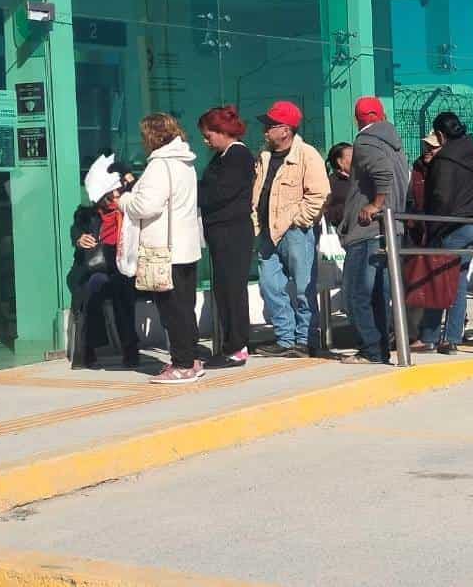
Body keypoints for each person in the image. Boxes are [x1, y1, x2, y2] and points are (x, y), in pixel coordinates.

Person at [118, 113, 204, 384]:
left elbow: (147, 206)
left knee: (172, 309)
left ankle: (182, 364)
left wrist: (125, 200)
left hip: (165, 250)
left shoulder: (159, 165)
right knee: (184, 306)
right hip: (186, 246)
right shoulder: (185, 162)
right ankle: (191, 358)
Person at [249, 101, 328, 357]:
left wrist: (300, 220)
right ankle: (285, 339)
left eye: (270, 126)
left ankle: (305, 340)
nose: (265, 131)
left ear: (285, 130)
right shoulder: (264, 156)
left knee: (304, 286)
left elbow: (319, 194)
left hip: (296, 231)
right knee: (269, 285)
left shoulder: (307, 155)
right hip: (266, 230)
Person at [339, 96, 410, 364]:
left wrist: (374, 204)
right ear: (381, 116)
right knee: (379, 294)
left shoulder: (366, 142)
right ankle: (378, 348)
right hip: (391, 228)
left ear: (357, 119)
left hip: (368, 230)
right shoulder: (394, 143)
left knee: (357, 294)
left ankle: (370, 349)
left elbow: (382, 174)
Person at [417, 112, 473, 354]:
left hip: (451, 226)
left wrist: (434, 231)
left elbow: (440, 198)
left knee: (443, 282)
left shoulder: (445, 160)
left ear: (440, 134)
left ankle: (439, 336)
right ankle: (446, 335)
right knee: (456, 280)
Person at [198, 105, 257, 365]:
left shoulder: (237, 156)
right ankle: (231, 343)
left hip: (232, 231)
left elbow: (221, 192)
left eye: (208, 134)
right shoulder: (224, 156)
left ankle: (237, 346)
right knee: (224, 288)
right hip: (222, 231)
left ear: (222, 132)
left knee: (232, 289)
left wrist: (193, 197)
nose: (206, 140)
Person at [68, 155, 140, 369]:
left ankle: (130, 349)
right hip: (96, 268)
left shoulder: (130, 208)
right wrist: (80, 239)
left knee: (121, 287)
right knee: (95, 286)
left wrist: (125, 173)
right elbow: (77, 231)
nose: (114, 200)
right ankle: (88, 347)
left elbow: (139, 190)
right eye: (109, 197)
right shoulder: (86, 214)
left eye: (116, 195)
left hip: (124, 266)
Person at [324, 142, 353, 229]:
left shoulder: (360, 180)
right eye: (353, 156)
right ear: (340, 162)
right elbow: (328, 212)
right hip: (345, 235)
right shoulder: (330, 184)